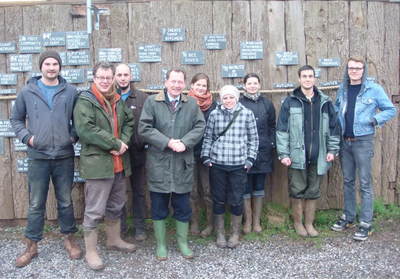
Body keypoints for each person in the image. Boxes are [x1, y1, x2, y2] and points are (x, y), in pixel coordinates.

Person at [10, 50, 82, 267]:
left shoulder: (70, 91)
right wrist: (28, 139)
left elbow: (79, 121)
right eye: (47, 64)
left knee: (66, 201)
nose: (51, 68)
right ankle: (31, 245)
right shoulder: (27, 91)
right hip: (38, 157)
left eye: (55, 64)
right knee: (35, 203)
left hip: (63, 157)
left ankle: (70, 239)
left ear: (60, 67)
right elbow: (15, 119)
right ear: (41, 66)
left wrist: (71, 138)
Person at [73, 61, 135, 270]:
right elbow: (86, 130)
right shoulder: (85, 101)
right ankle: (91, 252)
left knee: (116, 206)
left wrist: (123, 144)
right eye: (101, 77)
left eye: (109, 78)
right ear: (94, 78)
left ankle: (113, 240)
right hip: (98, 165)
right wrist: (115, 143)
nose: (106, 81)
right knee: (94, 210)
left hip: (119, 163)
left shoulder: (117, 99)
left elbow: (128, 122)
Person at [138, 69, 206, 261]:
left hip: (182, 163)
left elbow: (199, 126)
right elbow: (144, 128)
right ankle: (161, 244)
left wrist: (184, 142)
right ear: (166, 82)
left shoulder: (191, 103)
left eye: (180, 82)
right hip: (159, 162)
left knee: (182, 206)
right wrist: (167, 142)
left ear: (185, 84)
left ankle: (182, 243)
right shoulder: (152, 102)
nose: (176, 85)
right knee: (158, 206)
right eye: (173, 81)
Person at [331, 55, 396, 241]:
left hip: (363, 141)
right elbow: (337, 109)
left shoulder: (374, 89)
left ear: (363, 70)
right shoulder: (343, 89)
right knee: (348, 181)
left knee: (365, 184)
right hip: (345, 141)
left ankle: (365, 223)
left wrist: (374, 120)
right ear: (347, 70)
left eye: (358, 68)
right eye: (351, 68)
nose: (354, 71)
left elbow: (391, 109)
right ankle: (349, 216)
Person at [277, 65, 340, 238]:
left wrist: (332, 149)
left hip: (319, 155)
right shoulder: (290, 102)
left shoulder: (325, 102)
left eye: (310, 76)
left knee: (313, 190)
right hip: (297, 155)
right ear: (299, 79)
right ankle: (298, 223)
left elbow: (334, 128)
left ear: (314, 78)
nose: (307, 79)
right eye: (304, 76)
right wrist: (283, 153)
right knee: (297, 189)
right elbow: (282, 130)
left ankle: (309, 223)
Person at [201, 85, 259, 248]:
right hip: (217, 164)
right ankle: (220, 233)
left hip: (238, 165)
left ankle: (234, 233)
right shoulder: (214, 114)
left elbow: (253, 140)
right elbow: (208, 138)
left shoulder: (247, 114)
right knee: (218, 200)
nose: (228, 100)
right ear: (221, 99)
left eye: (231, 97)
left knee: (236, 200)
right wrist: (206, 157)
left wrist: (249, 161)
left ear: (237, 98)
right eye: (225, 97)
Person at [115, 63, 148, 242]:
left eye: (125, 74)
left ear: (131, 76)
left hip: (137, 153)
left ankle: (140, 227)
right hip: (116, 154)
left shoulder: (142, 97)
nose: (122, 78)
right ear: (115, 77)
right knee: (118, 192)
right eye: (119, 75)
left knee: (138, 192)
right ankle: (120, 227)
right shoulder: (109, 96)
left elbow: (149, 124)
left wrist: (140, 142)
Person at [239, 73, 276, 234]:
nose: (252, 86)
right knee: (245, 186)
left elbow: (272, 126)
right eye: (249, 83)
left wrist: (271, 143)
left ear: (259, 84)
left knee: (260, 186)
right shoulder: (239, 103)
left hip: (263, 151)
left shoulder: (267, 103)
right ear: (244, 85)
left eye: (255, 83)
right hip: (243, 152)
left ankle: (257, 222)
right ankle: (247, 221)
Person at [187, 73, 217, 238]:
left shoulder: (214, 105)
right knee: (191, 190)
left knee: (208, 190)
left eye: (204, 85)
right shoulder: (186, 103)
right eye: (197, 85)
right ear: (191, 85)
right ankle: (195, 222)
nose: (200, 88)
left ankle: (210, 224)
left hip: (207, 154)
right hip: (189, 152)